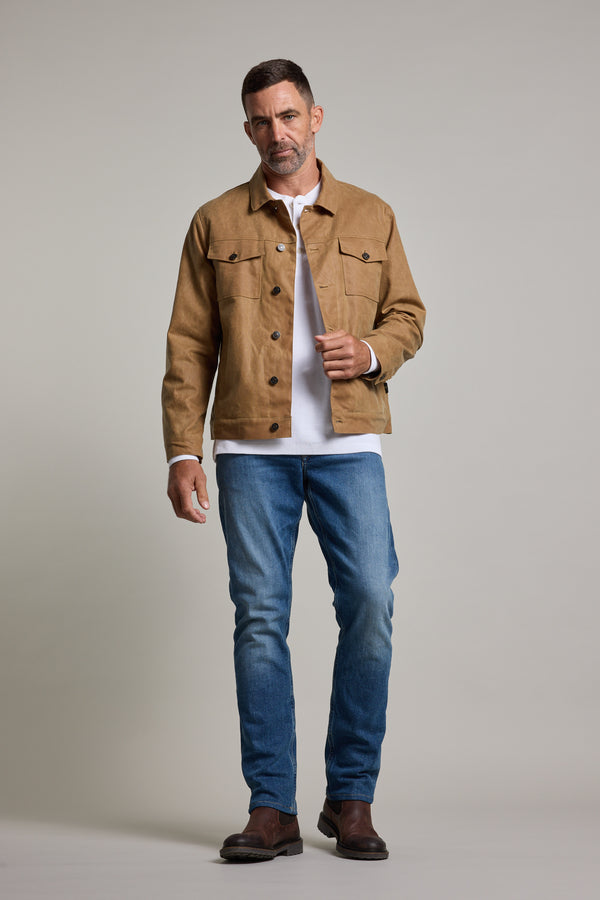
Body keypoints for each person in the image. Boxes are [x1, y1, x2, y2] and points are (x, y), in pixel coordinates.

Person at [162, 59, 425, 862]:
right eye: (259, 120)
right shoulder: (216, 222)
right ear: (248, 130)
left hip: (349, 450)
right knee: (261, 623)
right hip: (251, 450)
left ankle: (351, 799)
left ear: (315, 118)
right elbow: (188, 342)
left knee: (371, 610)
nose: (275, 132)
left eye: (288, 116)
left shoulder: (372, 216)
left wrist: (372, 352)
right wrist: (181, 447)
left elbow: (409, 315)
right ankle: (270, 806)